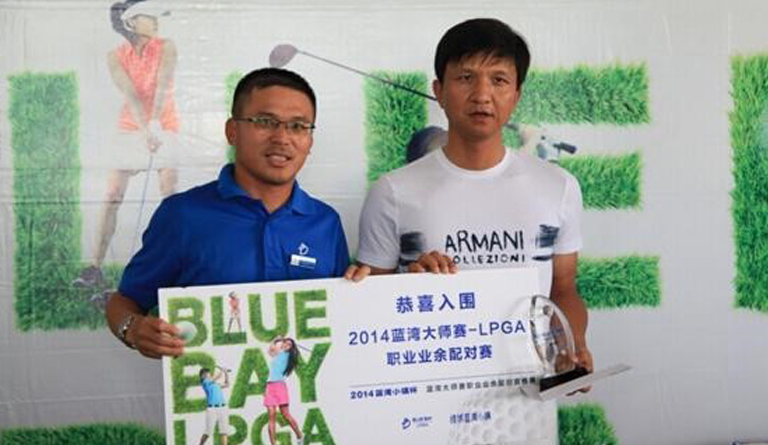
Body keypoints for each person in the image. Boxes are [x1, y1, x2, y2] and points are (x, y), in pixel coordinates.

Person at [356, 18, 592, 375]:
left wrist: (573, 346)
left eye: (499, 80)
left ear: (517, 95)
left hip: (529, 396)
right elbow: (369, 309)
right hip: (430, 390)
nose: (482, 95)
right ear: (439, 91)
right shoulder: (392, 192)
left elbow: (563, 289)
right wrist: (410, 287)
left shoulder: (558, 186)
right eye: (466, 78)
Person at [105, 67, 354, 359]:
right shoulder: (182, 216)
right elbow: (124, 301)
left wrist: (365, 286)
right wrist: (132, 329)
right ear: (232, 131)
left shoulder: (325, 222)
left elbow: (342, 315)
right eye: (265, 122)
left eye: (298, 126)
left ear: (310, 141)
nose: (282, 137)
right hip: (213, 387)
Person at [74, 0, 180, 290]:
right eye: (150, 16)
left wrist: (155, 124)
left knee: (170, 194)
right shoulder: (115, 56)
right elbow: (130, 94)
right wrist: (145, 129)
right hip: (132, 126)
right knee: (112, 194)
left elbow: (162, 85)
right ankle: (94, 267)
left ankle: (174, 264)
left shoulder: (167, 46)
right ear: (131, 22)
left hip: (164, 123)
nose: (156, 21)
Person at [264, 337, 303, 445]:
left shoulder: (289, 356)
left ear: (291, 348)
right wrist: (276, 340)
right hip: (270, 387)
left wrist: (280, 342)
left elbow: (293, 353)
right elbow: (270, 350)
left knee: (285, 415)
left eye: (289, 344)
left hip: (280, 386)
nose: (286, 345)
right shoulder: (278, 353)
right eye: (285, 343)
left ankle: (299, 436)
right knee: (271, 415)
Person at [198, 366, 232, 445]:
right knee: (208, 432)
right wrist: (222, 370)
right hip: (212, 409)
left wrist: (226, 373)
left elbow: (227, 384)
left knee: (224, 431)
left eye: (207, 373)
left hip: (222, 407)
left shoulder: (215, 384)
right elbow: (217, 376)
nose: (208, 374)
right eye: (205, 374)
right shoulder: (205, 383)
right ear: (202, 376)